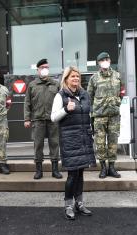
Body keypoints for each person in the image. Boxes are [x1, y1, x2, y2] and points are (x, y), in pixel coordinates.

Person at [51, 66, 96, 220]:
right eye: (72, 76)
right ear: (66, 79)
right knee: (72, 174)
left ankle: (80, 203)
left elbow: (88, 116)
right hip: (70, 141)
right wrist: (65, 109)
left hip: (84, 139)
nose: (76, 79)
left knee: (81, 174)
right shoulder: (61, 95)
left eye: (77, 76)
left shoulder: (84, 95)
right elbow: (53, 117)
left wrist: (92, 133)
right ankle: (68, 205)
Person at [24, 59, 63, 180]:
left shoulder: (55, 84)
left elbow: (62, 101)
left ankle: (55, 170)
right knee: (38, 145)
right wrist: (26, 118)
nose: (44, 69)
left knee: (55, 143)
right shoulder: (32, 85)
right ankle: (39, 170)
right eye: (42, 67)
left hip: (53, 119)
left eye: (46, 67)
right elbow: (27, 103)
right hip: (38, 119)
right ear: (38, 70)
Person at [87, 52, 122, 179]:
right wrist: (93, 112)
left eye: (107, 59)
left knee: (113, 142)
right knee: (100, 143)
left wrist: (116, 103)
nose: (105, 61)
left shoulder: (117, 76)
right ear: (98, 63)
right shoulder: (94, 78)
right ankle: (103, 168)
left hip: (114, 115)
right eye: (102, 60)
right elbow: (89, 97)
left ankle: (112, 168)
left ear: (110, 60)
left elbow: (121, 94)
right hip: (99, 116)